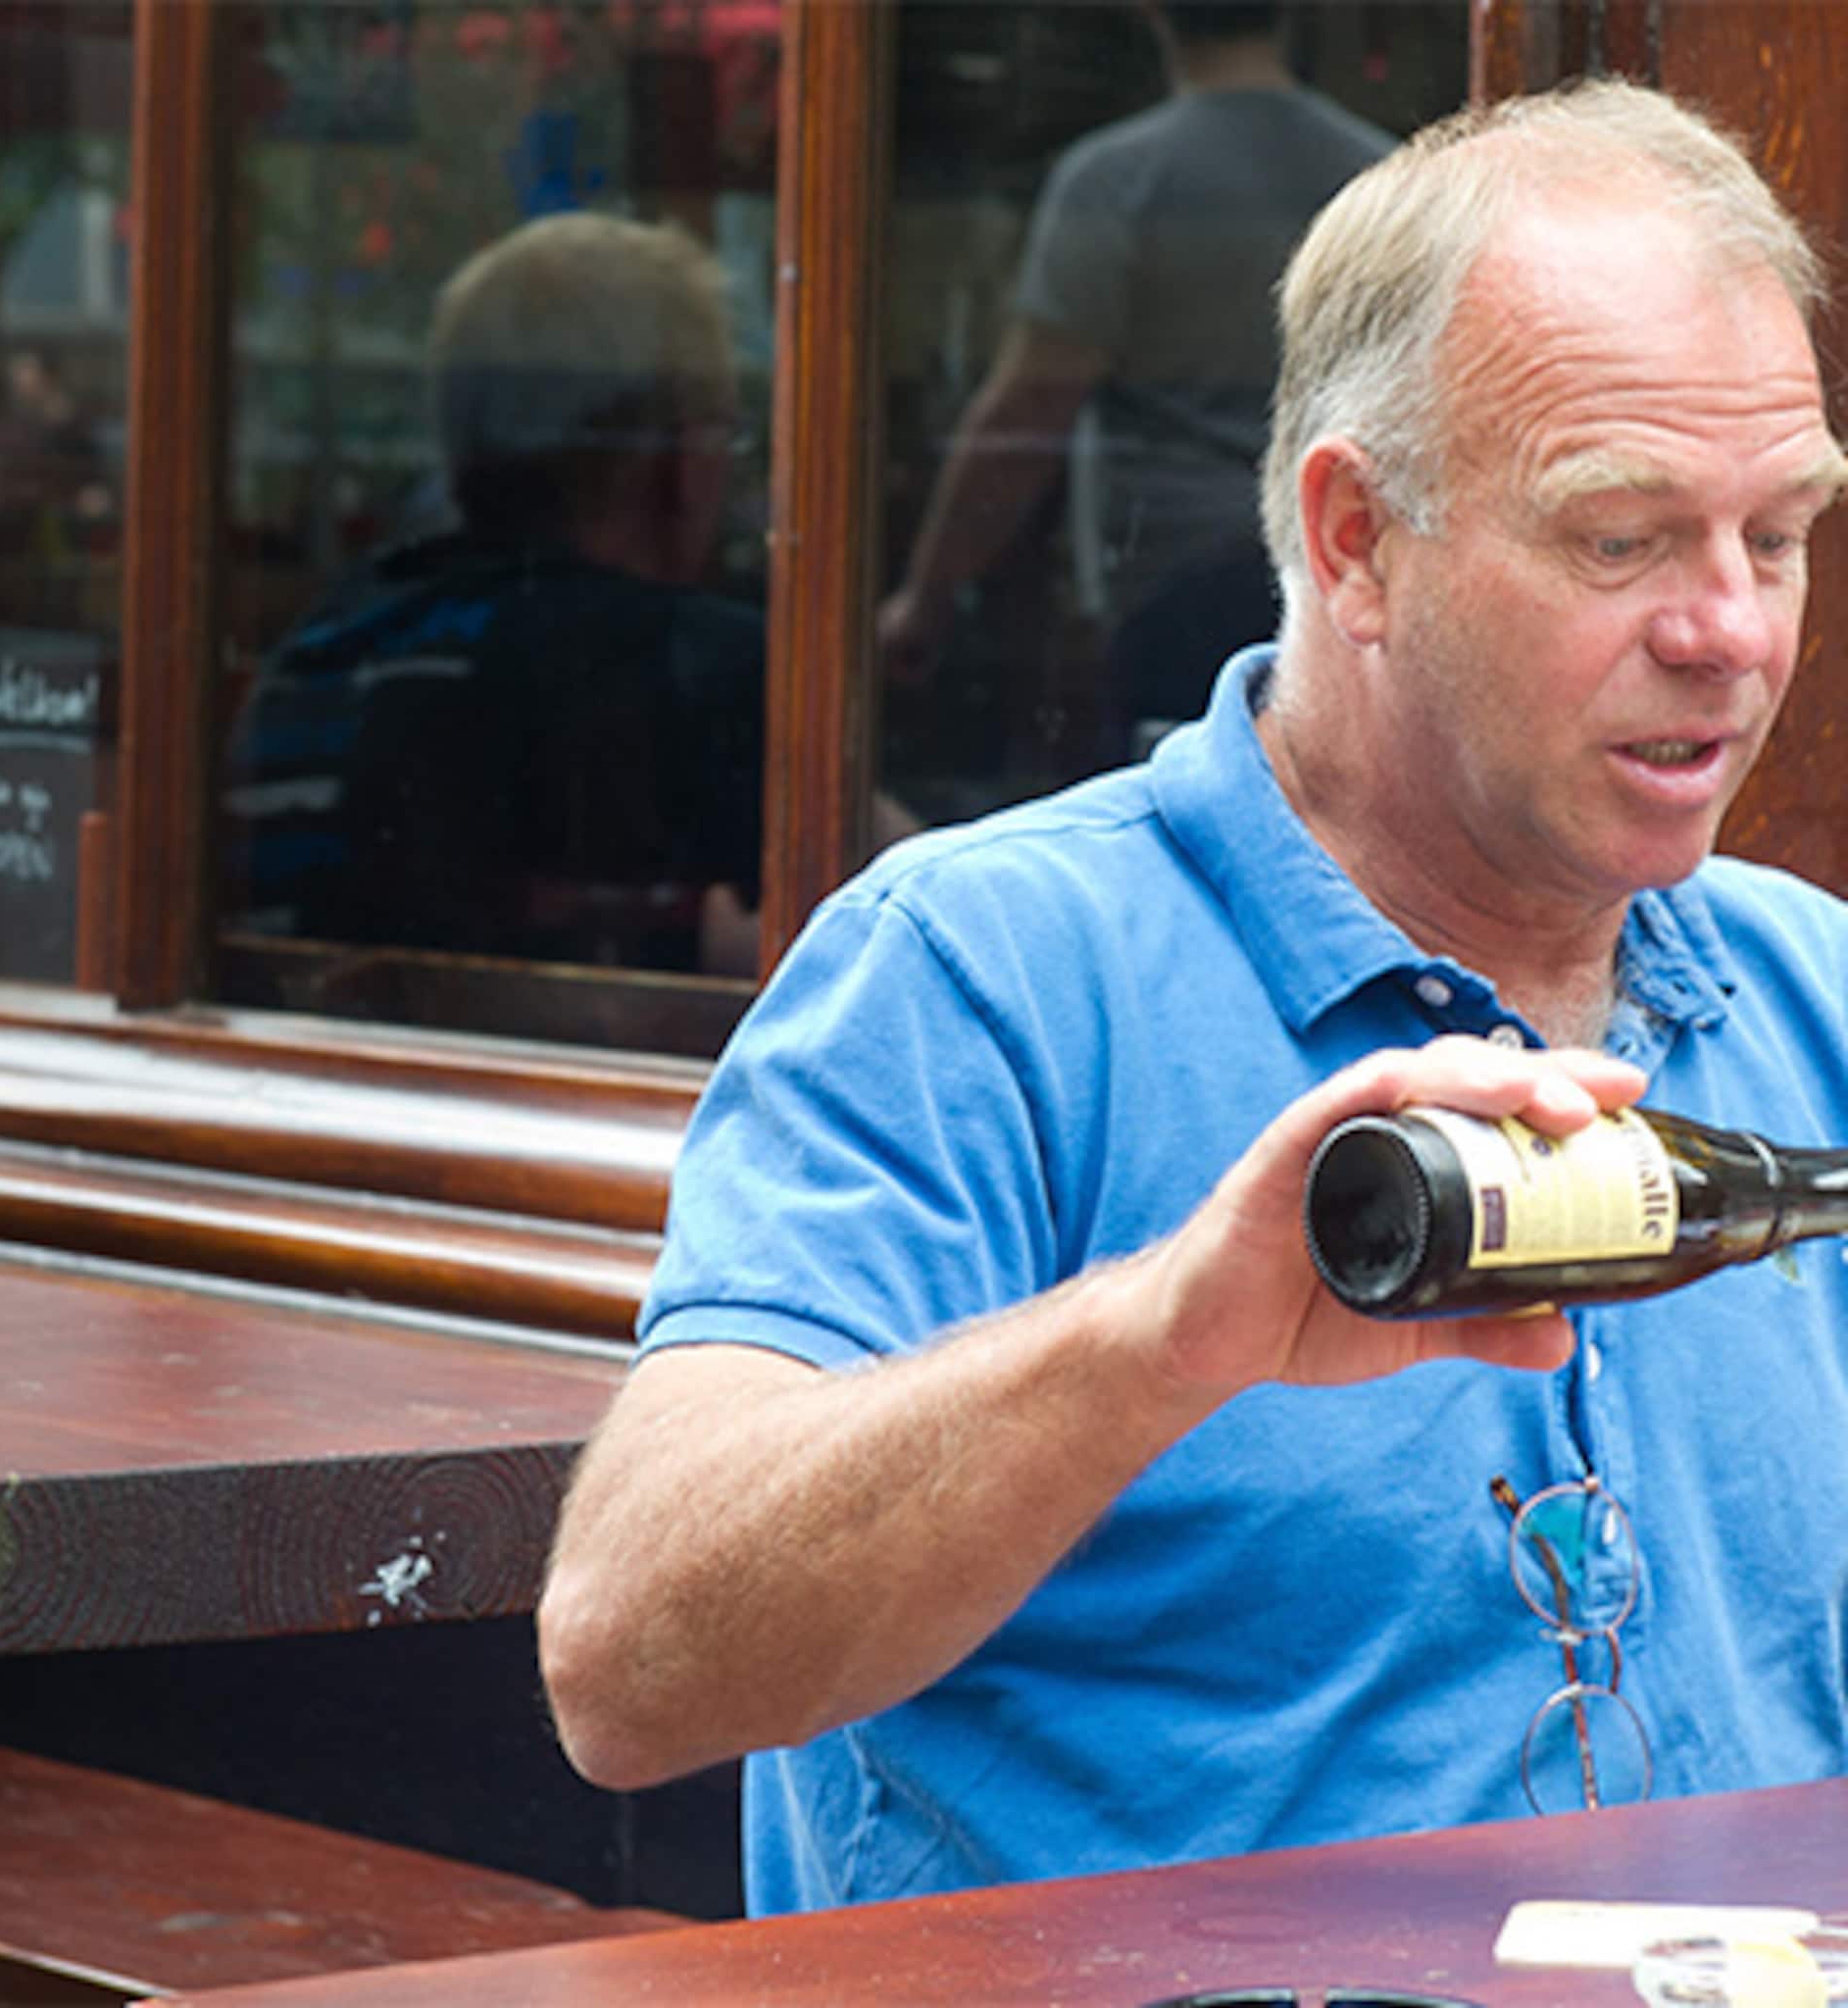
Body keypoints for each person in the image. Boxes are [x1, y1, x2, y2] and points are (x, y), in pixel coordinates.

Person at [538, 77, 1848, 1914]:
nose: (1731, 629)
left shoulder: (1815, 987)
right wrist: (1165, 1333)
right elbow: (625, 1661)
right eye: (1619, 536)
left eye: (1775, 534)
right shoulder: (975, 974)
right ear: (1352, 542)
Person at [220, 213, 767, 977]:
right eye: (726, 434)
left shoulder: (311, 663)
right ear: (677, 460)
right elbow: (913, 919)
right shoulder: (703, 672)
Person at [877, 2, 1393, 735]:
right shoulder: (1378, 178)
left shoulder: (1113, 180)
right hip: (1340, 572)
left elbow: (1030, 407)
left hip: (1161, 580)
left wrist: (925, 599)